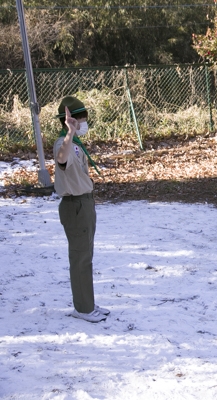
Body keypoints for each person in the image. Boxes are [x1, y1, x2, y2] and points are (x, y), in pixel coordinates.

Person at [54, 96, 109, 323]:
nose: (84, 123)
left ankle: (87, 302)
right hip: (74, 205)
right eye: (81, 119)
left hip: (84, 202)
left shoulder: (76, 144)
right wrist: (69, 132)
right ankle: (83, 308)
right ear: (71, 121)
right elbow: (61, 158)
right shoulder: (64, 143)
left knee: (86, 256)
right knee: (80, 257)